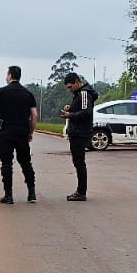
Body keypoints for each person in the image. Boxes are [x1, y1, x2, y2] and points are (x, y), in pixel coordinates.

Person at [0, 65, 40, 203]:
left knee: (6, 163)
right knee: (25, 162)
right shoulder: (28, 94)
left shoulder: (1, 92)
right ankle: (31, 192)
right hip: (22, 132)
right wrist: (30, 131)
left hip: (6, 132)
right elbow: (34, 115)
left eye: (7, 74)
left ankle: (8, 195)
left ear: (10, 76)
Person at [59, 72, 97, 200]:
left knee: (80, 162)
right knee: (78, 162)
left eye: (70, 87)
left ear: (76, 82)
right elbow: (81, 109)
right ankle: (80, 191)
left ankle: (81, 192)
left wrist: (69, 115)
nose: (69, 90)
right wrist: (71, 109)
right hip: (76, 131)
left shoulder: (84, 93)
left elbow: (86, 112)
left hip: (80, 132)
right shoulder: (79, 94)